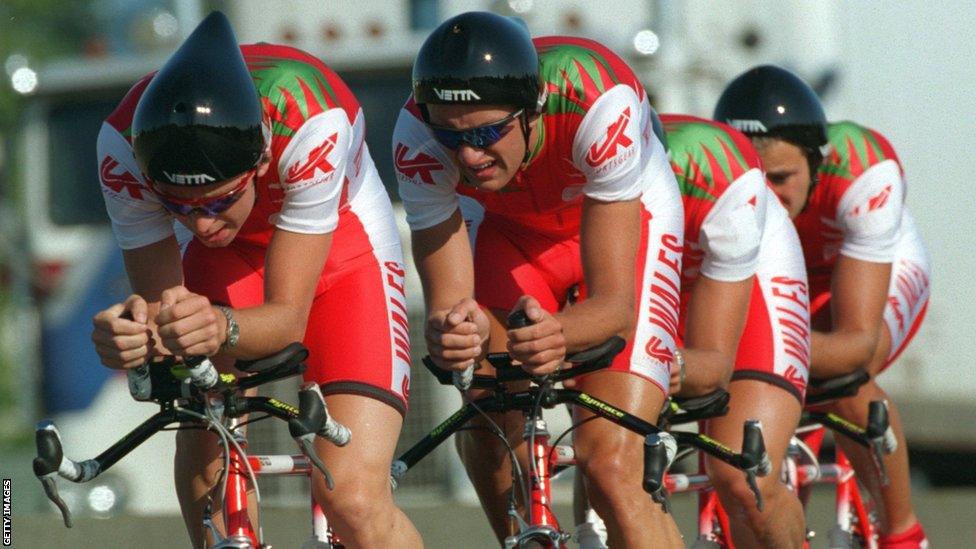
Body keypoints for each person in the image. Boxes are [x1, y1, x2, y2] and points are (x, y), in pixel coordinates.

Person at [91, 12, 421, 549]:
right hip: (226, 272)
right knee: (211, 490)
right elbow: (160, 309)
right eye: (178, 205)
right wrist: (133, 336)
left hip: (344, 253)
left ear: (263, 158)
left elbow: (287, 321)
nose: (201, 224)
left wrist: (216, 326)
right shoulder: (122, 146)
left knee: (353, 499)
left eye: (220, 199)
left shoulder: (311, 121)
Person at [393, 11, 685, 548]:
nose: (468, 155)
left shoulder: (599, 100)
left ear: (534, 110)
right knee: (485, 418)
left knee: (611, 468)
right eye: (450, 136)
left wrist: (560, 334)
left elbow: (615, 305)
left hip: (623, 219)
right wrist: (451, 333)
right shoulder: (415, 136)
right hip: (513, 234)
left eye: (486, 132)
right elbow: (450, 308)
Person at [715, 64, 931, 548]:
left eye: (782, 177)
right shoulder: (714, 178)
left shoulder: (861, 169)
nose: (768, 195)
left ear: (818, 161)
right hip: (787, 277)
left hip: (864, 273)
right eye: (755, 179)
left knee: (845, 379)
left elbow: (856, 343)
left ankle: (904, 533)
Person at [577, 113, 812, 548]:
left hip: (741, 278)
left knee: (743, 478)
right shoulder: (584, 181)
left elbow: (715, 364)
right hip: (653, 283)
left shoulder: (715, 176)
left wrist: (676, 362)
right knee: (604, 462)